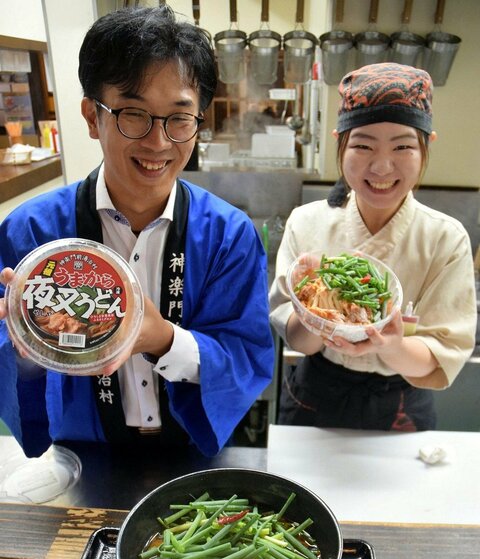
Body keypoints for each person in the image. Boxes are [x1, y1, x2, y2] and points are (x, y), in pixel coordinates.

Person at [0, 5, 274, 458]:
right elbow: (8, 361)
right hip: (81, 456)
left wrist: (161, 338)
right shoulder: (31, 231)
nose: (158, 141)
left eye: (179, 117)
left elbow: (246, 355)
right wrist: (27, 353)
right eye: (133, 113)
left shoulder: (228, 235)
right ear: (93, 116)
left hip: (192, 454)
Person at [269, 62, 477, 431]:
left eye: (403, 146)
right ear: (341, 143)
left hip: (400, 402)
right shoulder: (307, 221)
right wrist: (317, 315)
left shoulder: (446, 239)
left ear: (426, 146)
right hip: (315, 391)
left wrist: (390, 345)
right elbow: (299, 340)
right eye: (363, 145)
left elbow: (440, 357)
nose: (382, 167)